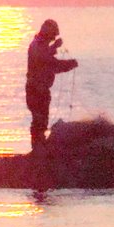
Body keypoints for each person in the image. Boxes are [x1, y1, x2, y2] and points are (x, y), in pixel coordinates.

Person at [25, 19, 78, 150]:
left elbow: (45, 55)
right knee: (40, 121)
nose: (54, 38)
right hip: (36, 91)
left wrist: (54, 47)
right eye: (53, 36)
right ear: (47, 34)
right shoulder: (38, 46)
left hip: (38, 90)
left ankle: (38, 149)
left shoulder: (37, 44)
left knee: (40, 121)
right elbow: (51, 64)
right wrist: (70, 64)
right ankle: (38, 151)